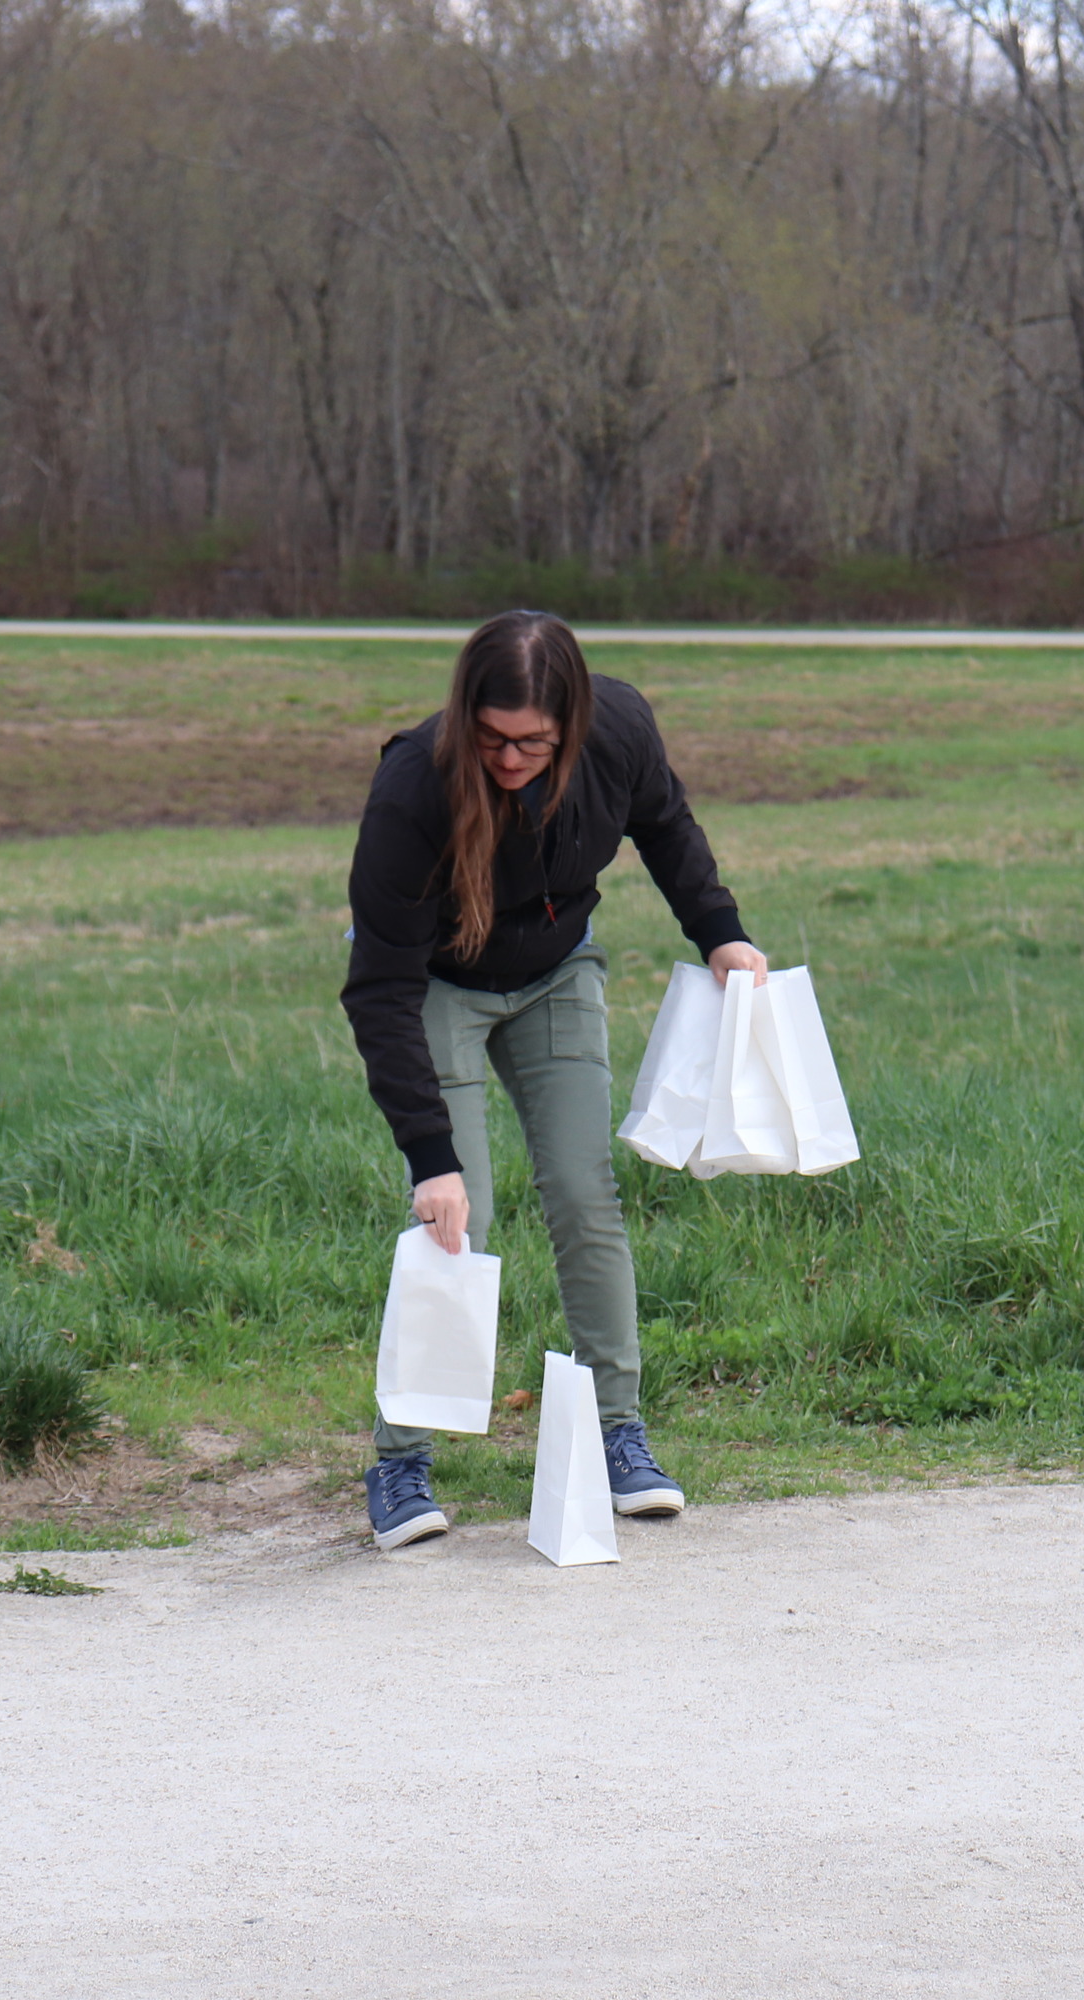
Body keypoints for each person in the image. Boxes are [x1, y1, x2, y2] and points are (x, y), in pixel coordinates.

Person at [341, 610, 766, 1551]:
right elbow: (378, 989)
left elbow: (668, 829)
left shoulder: (619, 731)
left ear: (573, 721)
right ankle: (401, 1461)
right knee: (459, 1216)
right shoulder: (413, 787)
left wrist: (721, 933)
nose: (509, 758)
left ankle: (621, 1435)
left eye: (533, 741)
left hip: (556, 975)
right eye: (491, 738)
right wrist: (430, 1156)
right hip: (439, 985)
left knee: (585, 1193)